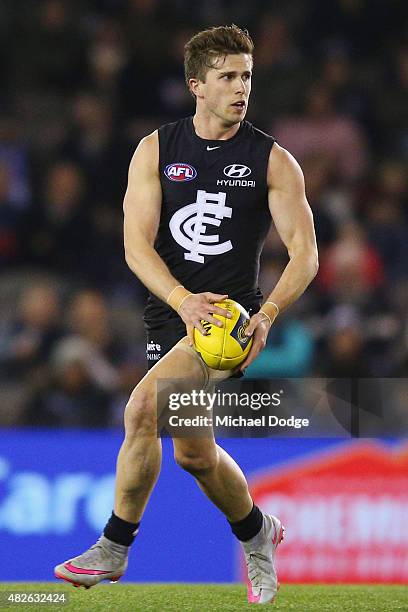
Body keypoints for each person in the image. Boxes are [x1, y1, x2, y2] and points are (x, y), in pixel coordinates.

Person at [54, 25, 318, 605]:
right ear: (197, 84)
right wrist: (180, 302)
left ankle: (115, 546)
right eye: (226, 77)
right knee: (194, 453)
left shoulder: (273, 161)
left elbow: (305, 255)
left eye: (246, 76)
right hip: (170, 314)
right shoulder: (156, 149)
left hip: (226, 325)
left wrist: (267, 314)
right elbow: (135, 246)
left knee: (143, 407)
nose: (240, 87)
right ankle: (259, 532)